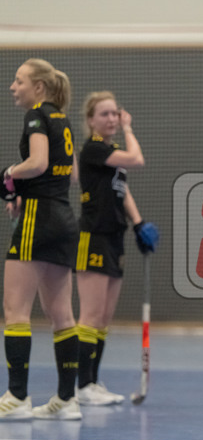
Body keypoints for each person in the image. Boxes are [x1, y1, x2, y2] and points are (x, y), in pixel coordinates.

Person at [0, 59, 81, 420]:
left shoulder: (36, 116)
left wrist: (8, 175)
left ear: (39, 88)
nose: (13, 87)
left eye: (19, 81)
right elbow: (71, 174)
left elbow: (37, 163)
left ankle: (17, 398)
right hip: (64, 218)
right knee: (61, 314)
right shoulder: (62, 120)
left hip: (39, 219)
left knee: (15, 311)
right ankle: (67, 401)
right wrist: (24, 190)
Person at [75, 91, 159, 406]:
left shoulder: (110, 153)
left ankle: (93, 382)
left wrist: (138, 224)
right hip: (93, 237)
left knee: (104, 317)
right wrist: (129, 128)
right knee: (91, 315)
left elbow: (122, 190)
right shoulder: (95, 149)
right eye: (105, 114)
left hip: (114, 237)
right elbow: (137, 159)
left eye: (115, 113)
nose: (111, 119)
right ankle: (82, 385)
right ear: (91, 120)